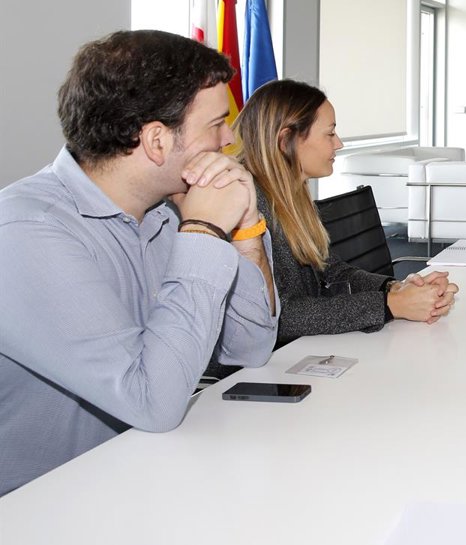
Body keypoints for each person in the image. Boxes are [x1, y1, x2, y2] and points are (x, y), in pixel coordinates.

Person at [0, 30, 278, 496]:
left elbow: (249, 349)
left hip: (140, 479)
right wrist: (204, 231)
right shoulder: (27, 230)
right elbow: (152, 402)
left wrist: (246, 230)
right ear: (156, 141)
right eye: (216, 124)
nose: (229, 140)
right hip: (40, 510)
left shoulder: (164, 213)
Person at [237, 80, 458, 347]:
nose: (339, 143)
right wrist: (390, 305)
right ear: (286, 141)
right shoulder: (244, 207)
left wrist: (395, 289)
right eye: (329, 133)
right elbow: (278, 317)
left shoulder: (294, 198)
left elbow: (331, 272)